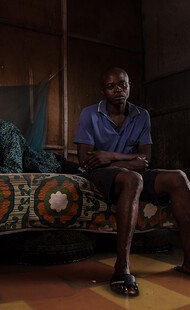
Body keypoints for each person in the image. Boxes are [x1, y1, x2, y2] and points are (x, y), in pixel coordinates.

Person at [74, 67, 190, 297]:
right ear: (103, 91)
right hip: (100, 174)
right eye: (111, 86)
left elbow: (145, 159)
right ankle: (122, 268)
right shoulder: (89, 113)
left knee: (178, 177)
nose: (118, 90)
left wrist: (110, 156)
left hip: (121, 168)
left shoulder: (142, 115)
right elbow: (86, 160)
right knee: (133, 179)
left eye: (122, 84)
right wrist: (127, 161)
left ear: (129, 86)